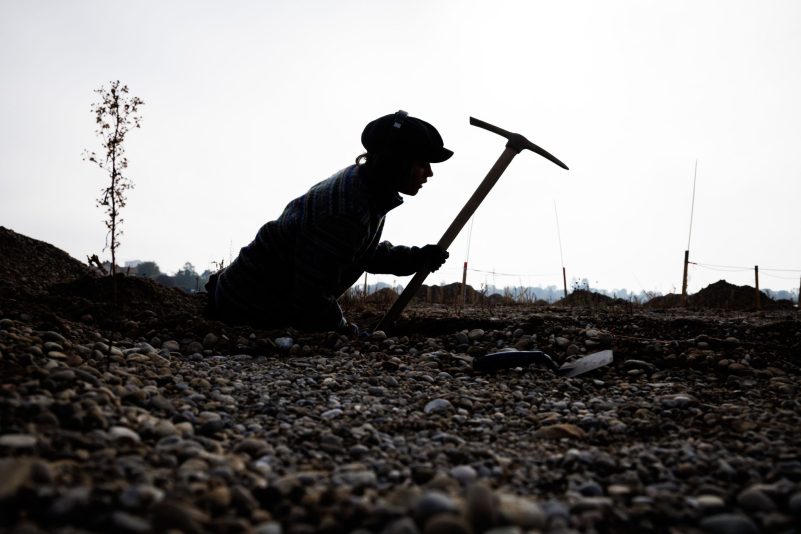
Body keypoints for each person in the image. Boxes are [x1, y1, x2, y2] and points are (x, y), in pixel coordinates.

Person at [206, 110, 452, 332]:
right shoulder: (348, 210)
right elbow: (312, 297)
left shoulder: (366, 188)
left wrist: (416, 258)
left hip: (249, 293)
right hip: (245, 304)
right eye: (422, 163)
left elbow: (360, 253)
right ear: (396, 162)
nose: (429, 173)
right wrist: (348, 334)